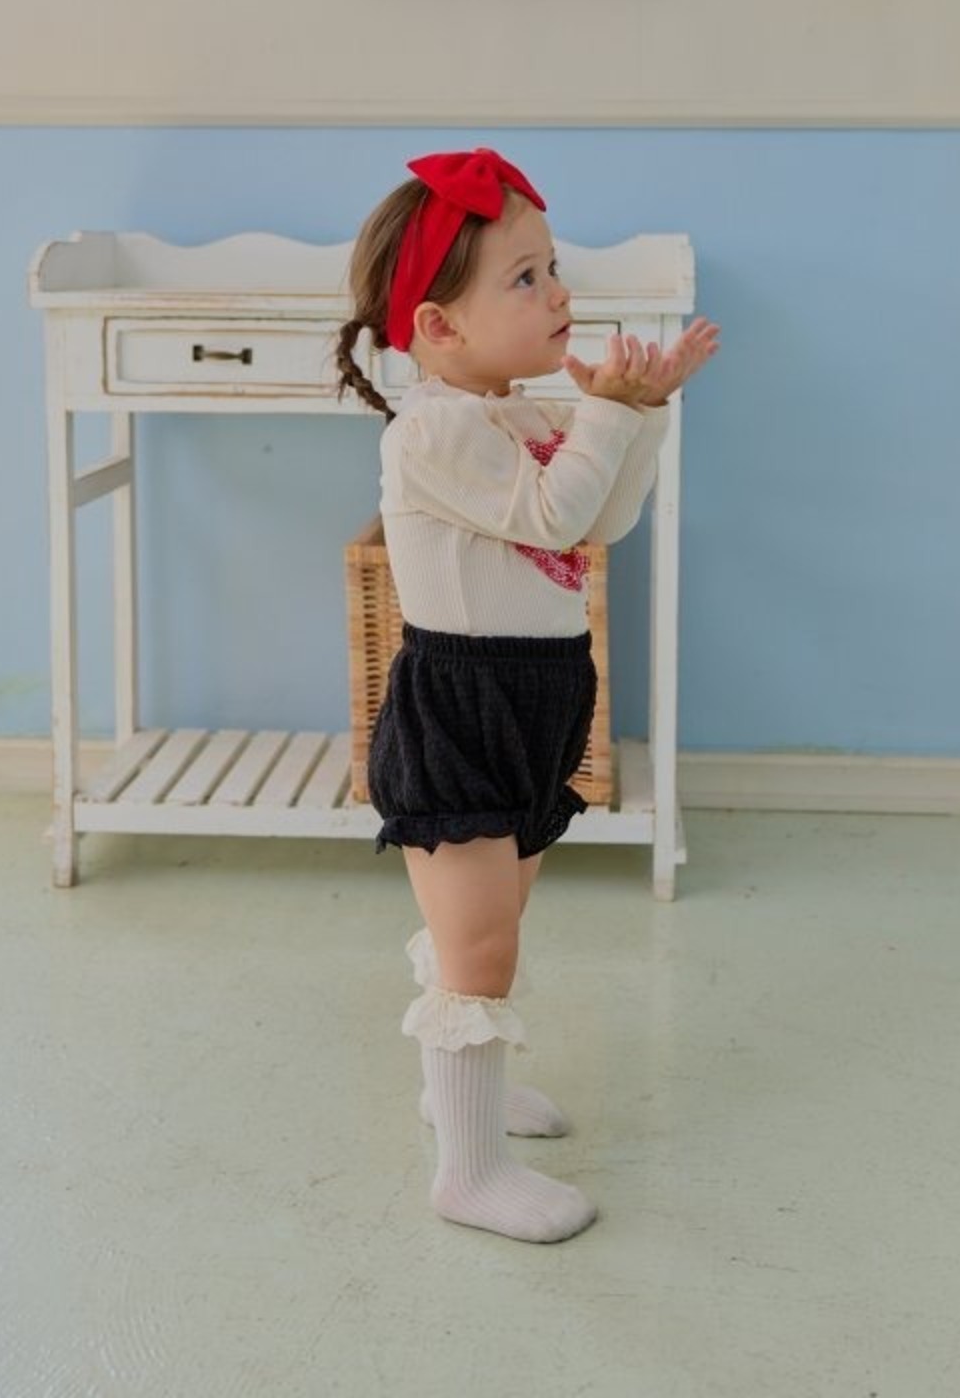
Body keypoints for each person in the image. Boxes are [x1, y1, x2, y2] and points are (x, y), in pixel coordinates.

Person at [333, 145, 719, 1243]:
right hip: (461, 710)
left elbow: (603, 518)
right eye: (524, 277)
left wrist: (639, 414)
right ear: (437, 326)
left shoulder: (514, 411)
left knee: (493, 925)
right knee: (479, 952)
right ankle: (466, 1172)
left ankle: (462, 1089)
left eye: (553, 269)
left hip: (535, 697)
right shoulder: (432, 430)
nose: (557, 293)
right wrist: (609, 415)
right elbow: (554, 514)